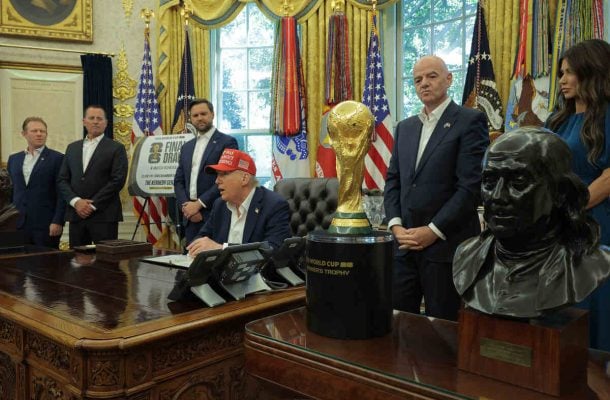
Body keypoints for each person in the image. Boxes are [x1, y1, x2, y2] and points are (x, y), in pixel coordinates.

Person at [453, 128, 610, 318]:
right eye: (490, 181)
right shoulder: (466, 256)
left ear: (560, 192)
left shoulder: (594, 264)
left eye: (518, 182)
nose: (497, 196)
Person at [384, 55, 489, 321]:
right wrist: (395, 226)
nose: (424, 84)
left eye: (431, 76)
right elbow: (393, 181)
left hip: (446, 248)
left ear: (449, 79)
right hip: (404, 245)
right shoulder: (405, 127)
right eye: (417, 79)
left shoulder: (470, 121)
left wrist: (433, 230)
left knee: (443, 330)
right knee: (399, 324)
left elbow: (470, 187)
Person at [546, 39, 610, 351]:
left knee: (591, 307)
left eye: (570, 72)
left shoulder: (607, 116)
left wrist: (571, 208)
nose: (562, 79)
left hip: (594, 226)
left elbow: (609, 177)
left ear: (592, 72)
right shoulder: (556, 120)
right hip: (555, 227)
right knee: (558, 313)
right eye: (561, 73)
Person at [186, 149, 290, 256]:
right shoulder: (219, 205)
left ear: (244, 178)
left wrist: (222, 248)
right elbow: (202, 237)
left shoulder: (274, 205)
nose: (217, 181)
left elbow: (273, 250)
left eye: (223, 174)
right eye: (217, 175)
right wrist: (198, 246)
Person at [58, 105, 128, 247]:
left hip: (104, 215)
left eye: (99, 119)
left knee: (105, 258)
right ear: (84, 122)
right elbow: (62, 180)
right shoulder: (72, 148)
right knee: (78, 258)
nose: (95, 121)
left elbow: (117, 180)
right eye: (91, 118)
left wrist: (92, 205)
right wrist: (76, 202)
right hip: (76, 214)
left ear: (106, 123)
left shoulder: (116, 148)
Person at [174, 99, 238, 245]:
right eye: (195, 115)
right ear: (190, 119)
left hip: (214, 214)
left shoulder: (227, 142)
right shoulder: (186, 147)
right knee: (191, 256)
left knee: (214, 257)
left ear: (212, 114)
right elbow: (178, 181)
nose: (199, 118)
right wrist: (187, 207)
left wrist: (199, 204)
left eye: (203, 114)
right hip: (190, 217)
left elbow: (227, 178)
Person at [7, 117, 65, 248]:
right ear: (24, 134)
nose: (39, 134)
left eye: (42, 131)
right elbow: (10, 192)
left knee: (46, 260)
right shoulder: (14, 159)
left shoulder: (58, 158)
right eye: (34, 131)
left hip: (46, 225)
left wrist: (58, 221)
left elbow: (61, 194)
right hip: (17, 224)